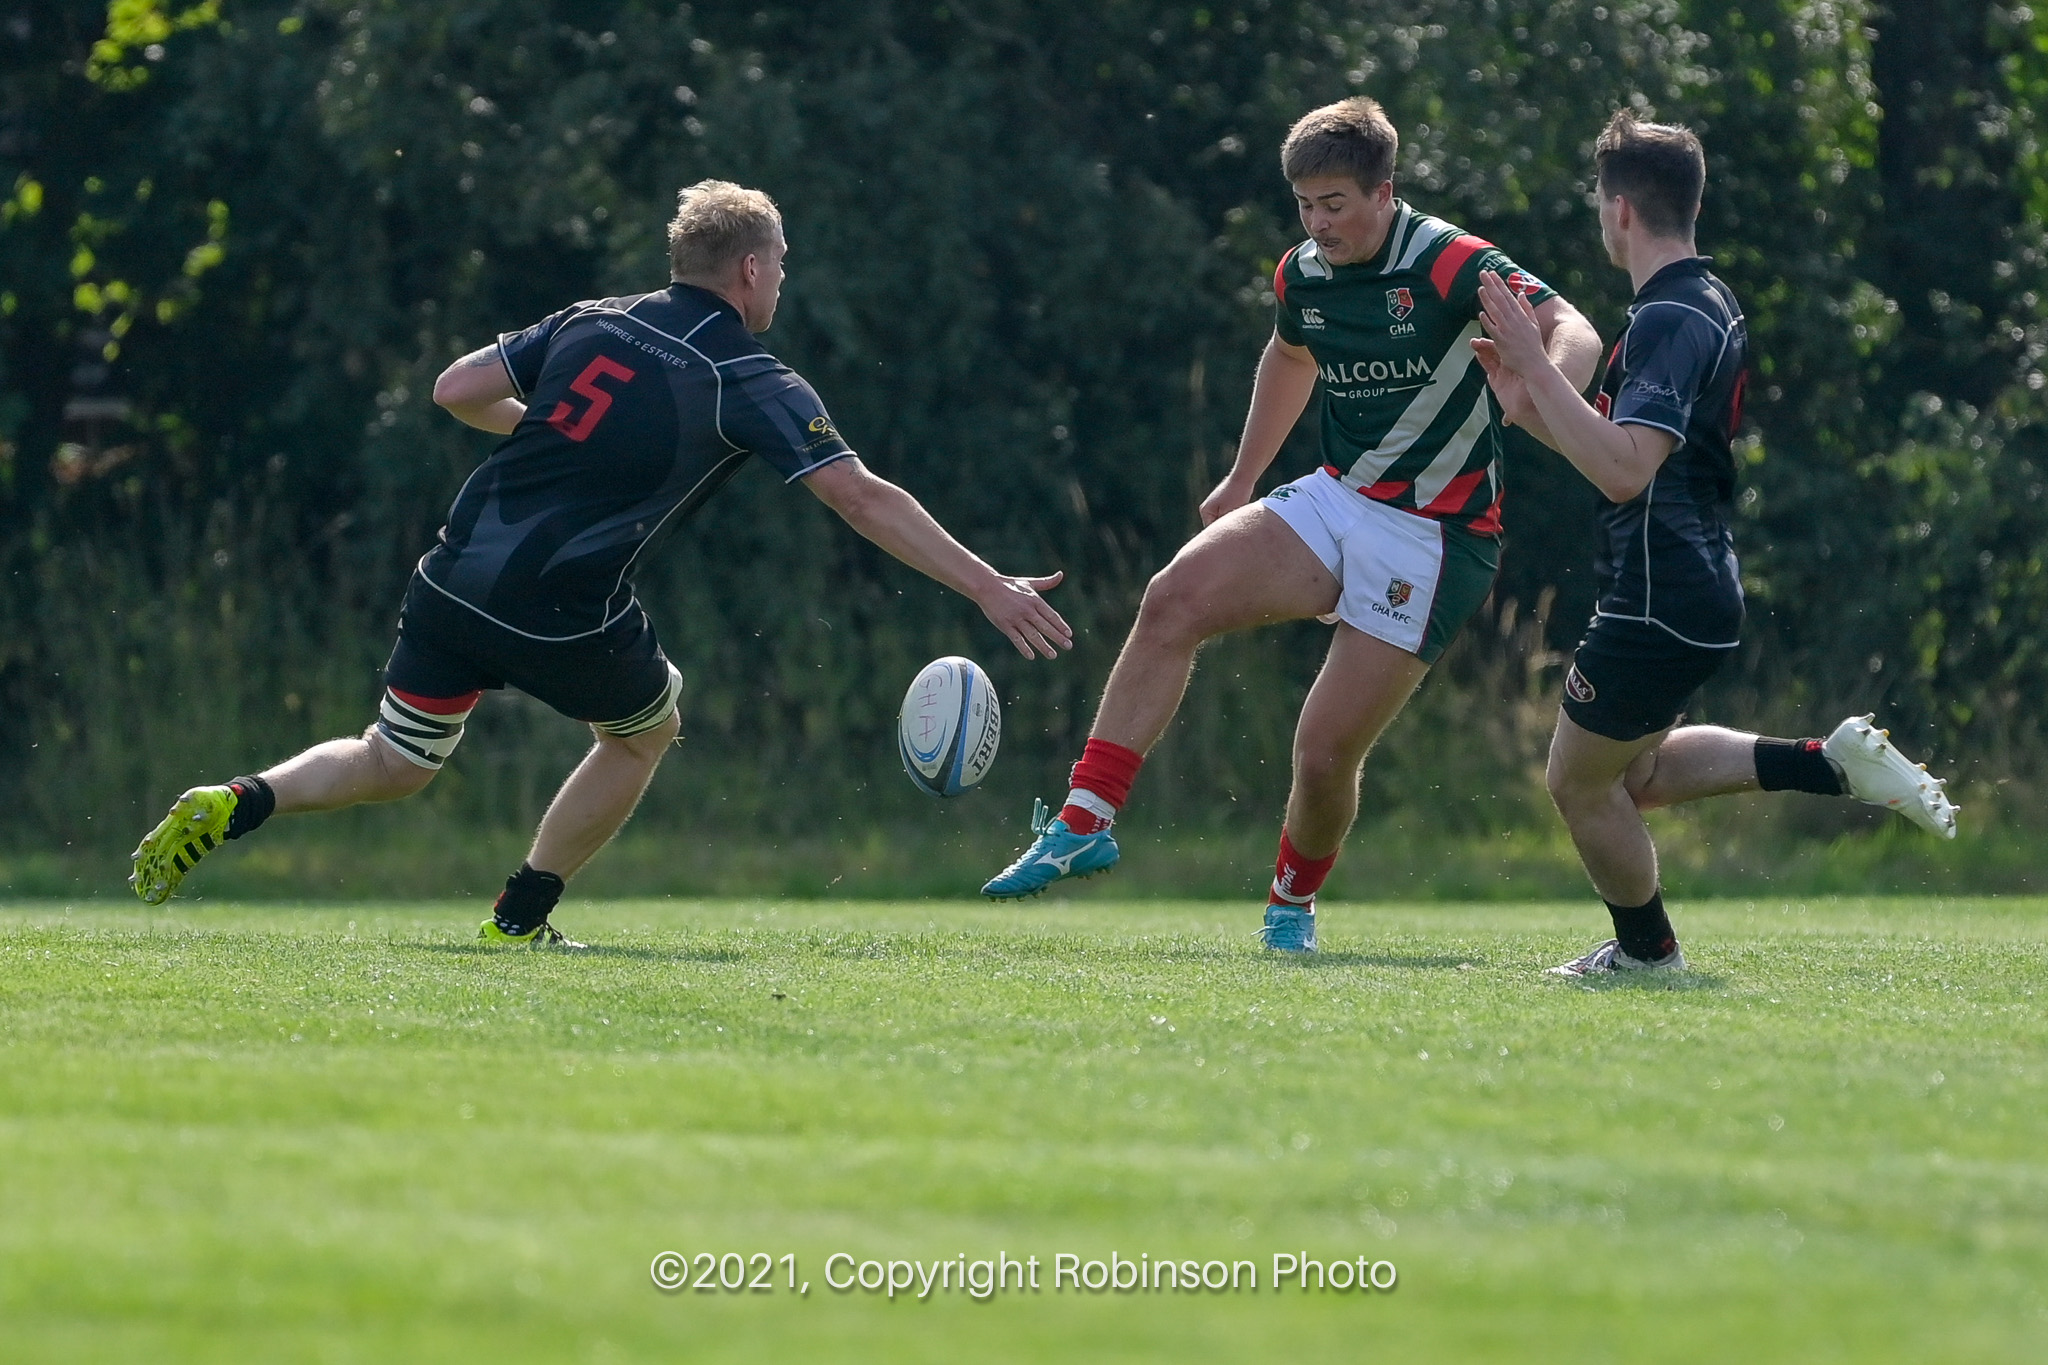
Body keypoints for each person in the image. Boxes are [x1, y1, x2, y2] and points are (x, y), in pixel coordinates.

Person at [130, 180, 1072, 944]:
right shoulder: (746, 375)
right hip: (561, 607)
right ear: (750, 268)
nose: (783, 281)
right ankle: (519, 915)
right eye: (781, 264)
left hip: (453, 574)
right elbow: (861, 495)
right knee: (644, 729)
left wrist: (546, 429)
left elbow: (455, 388)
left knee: (395, 756)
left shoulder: (592, 317)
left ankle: (240, 798)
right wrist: (987, 586)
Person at [980, 97, 1602, 952]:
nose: (1318, 224)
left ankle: (1289, 905)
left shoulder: (1451, 261)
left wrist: (1537, 379)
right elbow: (1290, 354)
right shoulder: (1302, 272)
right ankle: (1086, 819)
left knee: (1320, 756)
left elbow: (1575, 328)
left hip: (1437, 537)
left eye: (1335, 204)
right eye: (1305, 205)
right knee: (1171, 598)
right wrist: (1241, 478)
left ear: (1385, 192)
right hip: (1338, 497)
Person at [1471, 110, 1957, 978]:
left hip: (1658, 595)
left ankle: (1649, 955)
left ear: (1621, 210)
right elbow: (1629, 452)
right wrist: (1528, 403)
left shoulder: (1668, 319)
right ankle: (1830, 762)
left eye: (1597, 200)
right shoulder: (1705, 299)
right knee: (1642, 771)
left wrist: (1538, 368)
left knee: (1580, 785)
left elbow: (1624, 472)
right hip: (1689, 586)